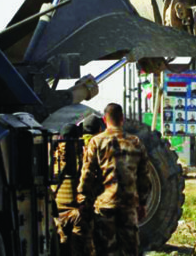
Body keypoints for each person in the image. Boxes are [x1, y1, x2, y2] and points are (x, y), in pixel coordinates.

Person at [78, 103, 151, 256]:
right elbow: (144, 177)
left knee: (104, 250)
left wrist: (83, 200)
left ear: (105, 120)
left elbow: (87, 175)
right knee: (129, 250)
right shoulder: (136, 142)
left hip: (105, 207)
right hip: (128, 206)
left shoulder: (96, 142)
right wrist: (142, 204)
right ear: (122, 119)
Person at [54, 123, 95, 256]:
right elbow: (84, 184)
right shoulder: (72, 156)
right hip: (74, 215)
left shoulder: (53, 156)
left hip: (55, 215)